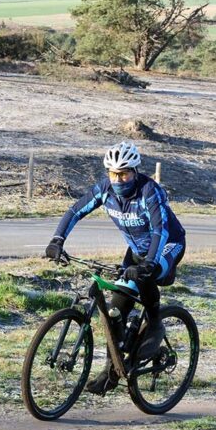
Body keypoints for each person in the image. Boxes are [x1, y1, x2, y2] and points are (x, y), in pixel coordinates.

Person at [45, 141, 186, 395]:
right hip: (136, 252)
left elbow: (159, 230)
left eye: (123, 173)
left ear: (135, 171)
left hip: (167, 245)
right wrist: (57, 240)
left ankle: (155, 324)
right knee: (113, 311)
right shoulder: (105, 189)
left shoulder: (148, 191)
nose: (118, 179)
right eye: (113, 174)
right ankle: (113, 369)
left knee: (147, 275)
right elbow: (75, 211)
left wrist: (150, 263)